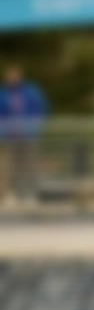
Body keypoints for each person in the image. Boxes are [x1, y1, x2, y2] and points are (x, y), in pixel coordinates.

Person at [0, 66, 47, 206]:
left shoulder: (31, 92)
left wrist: (35, 126)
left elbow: (40, 109)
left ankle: (31, 194)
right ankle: (13, 194)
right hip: (11, 136)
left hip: (29, 135)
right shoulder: (3, 94)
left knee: (30, 165)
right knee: (12, 166)